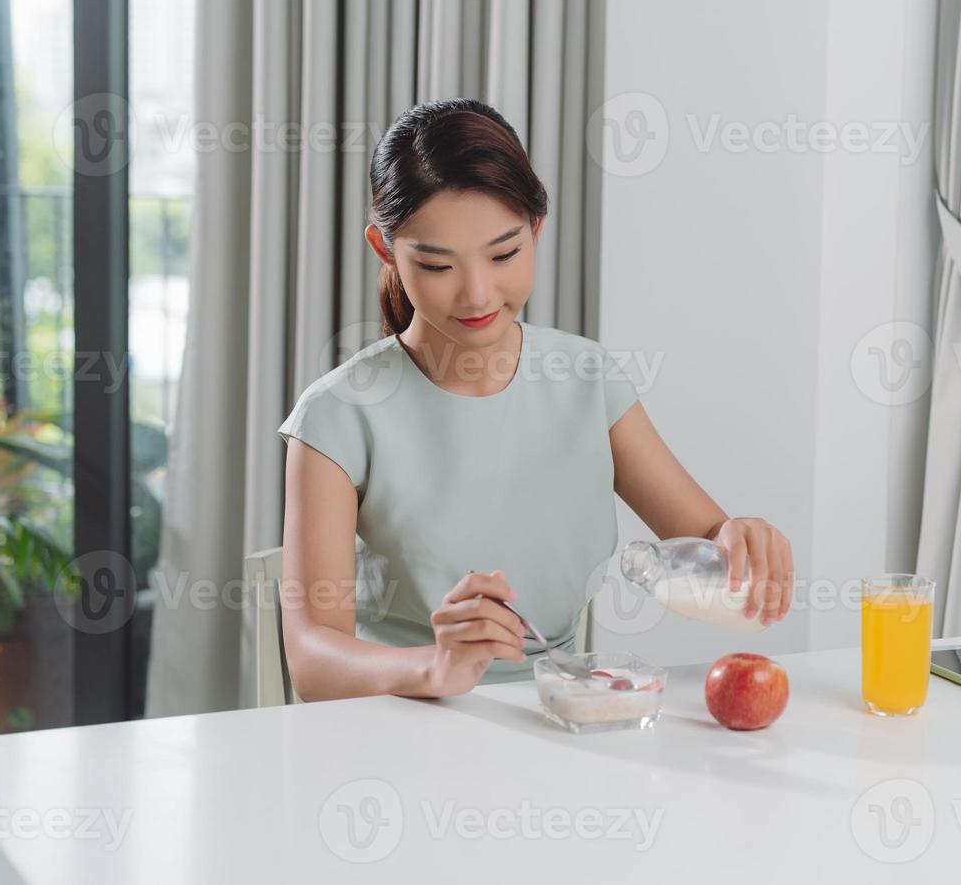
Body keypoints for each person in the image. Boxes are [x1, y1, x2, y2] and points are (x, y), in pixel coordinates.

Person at [277, 99, 794, 700]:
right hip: (398, 721)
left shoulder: (586, 380)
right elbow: (313, 660)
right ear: (385, 249)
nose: (476, 293)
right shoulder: (340, 415)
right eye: (438, 265)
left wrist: (741, 540)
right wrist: (435, 669)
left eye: (504, 255)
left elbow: (704, 537)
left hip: (559, 713)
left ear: (536, 232)